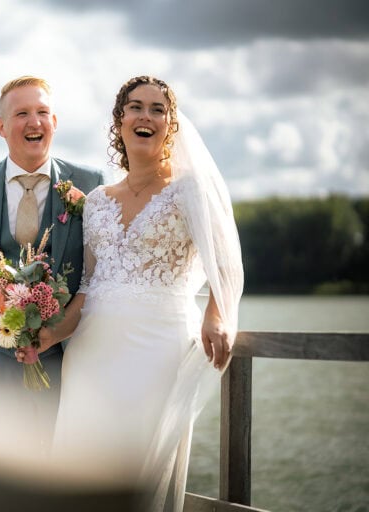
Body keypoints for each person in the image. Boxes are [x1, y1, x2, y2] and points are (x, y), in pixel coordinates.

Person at [22, 76, 244, 510]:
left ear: (170, 125)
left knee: (138, 473)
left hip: (157, 348)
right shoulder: (99, 200)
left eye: (158, 109)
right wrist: (50, 334)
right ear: (120, 122)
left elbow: (226, 263)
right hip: (90, 356)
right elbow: (88, 286)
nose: (146, 116)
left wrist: (217, 314)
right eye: (135, 107)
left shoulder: (190, 190)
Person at [0, 76, 104, 453]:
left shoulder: (92, 184)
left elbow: (103, 275)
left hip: (69, 367)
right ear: (1, 126)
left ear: (55, 122)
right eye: (21, 113)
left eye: (42, 112)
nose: (34, 122)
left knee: (59, 479)